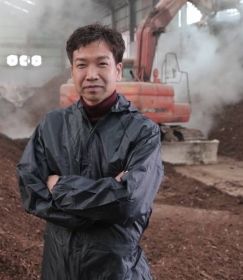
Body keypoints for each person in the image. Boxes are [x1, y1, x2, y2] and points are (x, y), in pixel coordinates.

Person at [17, 23, 164, 280]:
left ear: (118, 70)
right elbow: (30, 190)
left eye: (102, 64)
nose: (91, 74)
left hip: (116, 270)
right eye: (82, 64)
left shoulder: (143, 132)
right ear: (72, 71)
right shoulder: (52, 125)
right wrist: (99, 208)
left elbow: (128, 202)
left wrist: (59, 186)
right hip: (58, 266)